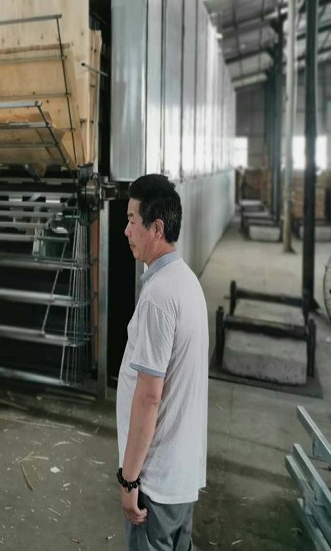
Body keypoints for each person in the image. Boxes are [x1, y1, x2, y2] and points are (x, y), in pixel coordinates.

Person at [116, 174, 208, 551]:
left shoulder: (159, 297)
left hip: (155, 483)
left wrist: (129, 480)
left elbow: (149, 397)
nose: (126, 231)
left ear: (156, 228)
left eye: (131, 221)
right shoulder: (186, 281)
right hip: (180, 476)